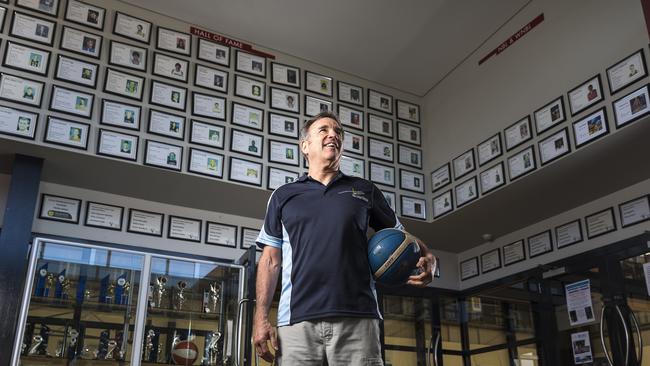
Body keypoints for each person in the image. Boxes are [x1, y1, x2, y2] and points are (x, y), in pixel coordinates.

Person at [254, 111, 434, 365]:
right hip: (296, 322)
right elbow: (270, 261)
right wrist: (260, 319)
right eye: (324, 130)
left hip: (358, 319)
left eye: (338, 132)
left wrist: (428, 255)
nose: (333, 135)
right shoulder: (283, 196)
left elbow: (402, 237)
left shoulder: (365, 190)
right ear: (305, 146)